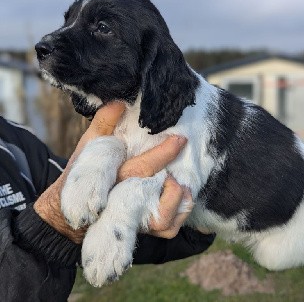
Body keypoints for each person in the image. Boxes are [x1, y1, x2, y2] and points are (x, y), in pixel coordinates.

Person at [0, 102, 215, 302]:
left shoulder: (13, 139)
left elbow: (82, 190)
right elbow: (67, 206)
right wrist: (53, 226)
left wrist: (198, 217)